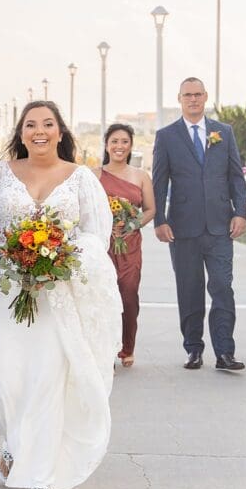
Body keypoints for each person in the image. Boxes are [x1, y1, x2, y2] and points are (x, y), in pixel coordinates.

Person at [0, 100, 121, 489]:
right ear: (20, 133)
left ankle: (40, 476)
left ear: (61, 132)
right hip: (6, 291)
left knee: (46, 381)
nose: (39, 131)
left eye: (47, 124)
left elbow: (97, 236)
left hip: (59, 294)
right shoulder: (0, 174)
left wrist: (57, 257)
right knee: (3, 381)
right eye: (30, 125)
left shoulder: (80, 179)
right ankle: (11, 443)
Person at [152, 77, 246, 371]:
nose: (193, 99)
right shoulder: (166, 136)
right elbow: (159, 181)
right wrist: (160, 220)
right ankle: (193, 348)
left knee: (222, 287)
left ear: (205, 97)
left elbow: (235, 176)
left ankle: (225, 352)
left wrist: (240, 212)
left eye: (197, 94)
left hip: (220, 225)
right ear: (179, 98)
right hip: (182, 228)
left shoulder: (224, 132)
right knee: (189, 289)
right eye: (187, 95)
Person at [98, 123, 155, 368]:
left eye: (124, 142)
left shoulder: (141, 176)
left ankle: (127, 346)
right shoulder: (94, 175)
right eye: (114, 141)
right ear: (107, 145)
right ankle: (106, 349)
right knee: (104, 296)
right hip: (102, 244)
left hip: (130, 244)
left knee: (128, 294)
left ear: (130, 146)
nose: (119, 146)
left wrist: (131, 225)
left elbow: (150, 210)